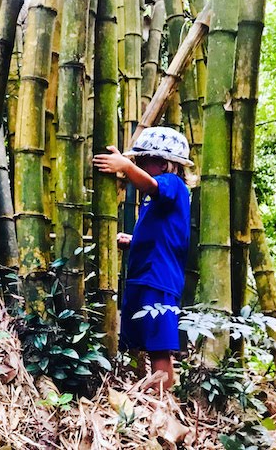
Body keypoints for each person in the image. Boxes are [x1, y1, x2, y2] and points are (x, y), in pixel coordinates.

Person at [92, 127, 193, 391]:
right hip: (143, 275)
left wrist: (125, 166)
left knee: (159, 348)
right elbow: (164, 234)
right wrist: (133, 240)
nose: (138, 164)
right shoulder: (155, 200)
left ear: (163, 163)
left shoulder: (173, 184)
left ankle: (162, 405)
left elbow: (152, 184)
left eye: (142, 160)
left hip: (159, 279)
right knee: (140, 341)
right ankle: (143, 395)